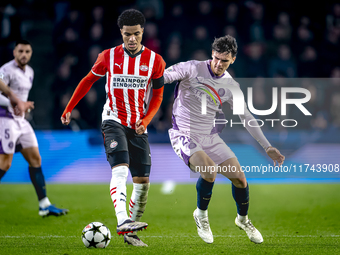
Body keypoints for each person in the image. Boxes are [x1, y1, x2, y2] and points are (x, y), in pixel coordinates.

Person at [164, 35, 285, 244]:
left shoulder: (231, 86)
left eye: (225, 61)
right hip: (184, 133)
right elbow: (163, 76)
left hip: (210, 137)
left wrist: (267, 147)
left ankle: (243, 219)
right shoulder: (192, 68)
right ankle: (200, 215)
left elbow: (246, 117)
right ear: (212, 54)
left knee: (240, 179)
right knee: (209, 171)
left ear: (233, 60)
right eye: (216, 58)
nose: (219, 64)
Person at [61, 9, 166, 247]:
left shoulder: (155, 61)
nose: (132, 39)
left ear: (143, 32)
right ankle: (122, 221)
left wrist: (147, 120)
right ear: (121, 32)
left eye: (136, 34)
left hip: (138, 125)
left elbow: (158, 96)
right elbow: (88, 80)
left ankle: (130, 233)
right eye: (127, 34)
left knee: (142, 184)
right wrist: (69, 107)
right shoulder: (107, 56)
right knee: (120, 169)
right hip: (113, 119)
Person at [0, 40, 69, 217]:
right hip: (5, 119)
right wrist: (16, 103)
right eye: (21, 51)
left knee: (35, 159)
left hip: (21, 121)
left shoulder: (29, 72)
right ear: (14, 52)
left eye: (27, 51)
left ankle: (44, 205)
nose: (24, 54)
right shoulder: (6, 70)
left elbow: (21, 101)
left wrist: (23, 107)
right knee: (5, 164)